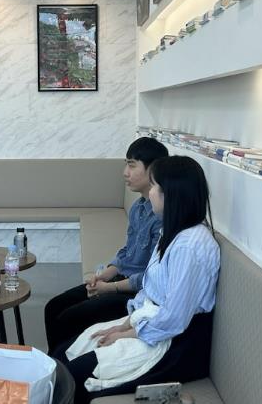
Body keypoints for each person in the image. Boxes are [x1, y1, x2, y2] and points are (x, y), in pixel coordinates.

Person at [53, 155, 221, 404]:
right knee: (65, 353)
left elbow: (174, 318)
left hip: (176, 344)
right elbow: (149, 291)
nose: (149, 193)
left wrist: (126, 335)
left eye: (153, 186)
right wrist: (123, 326)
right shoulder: (171, 232)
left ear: (171, 195)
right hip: (151, 323)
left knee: (75, 375)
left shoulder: (190, 246)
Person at [44, 137, 169, 354]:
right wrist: (104, 275)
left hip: (135, 294)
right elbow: (127, 252)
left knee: (67, 319)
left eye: (132, 165)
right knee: (53, 307)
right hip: (119, 280)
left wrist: (109, 288)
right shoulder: (138, 207)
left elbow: (150, 278)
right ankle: (52, 363)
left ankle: (63, 362)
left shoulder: (161, 218)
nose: (125, 173)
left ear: (153, 170)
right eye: (126, 164)